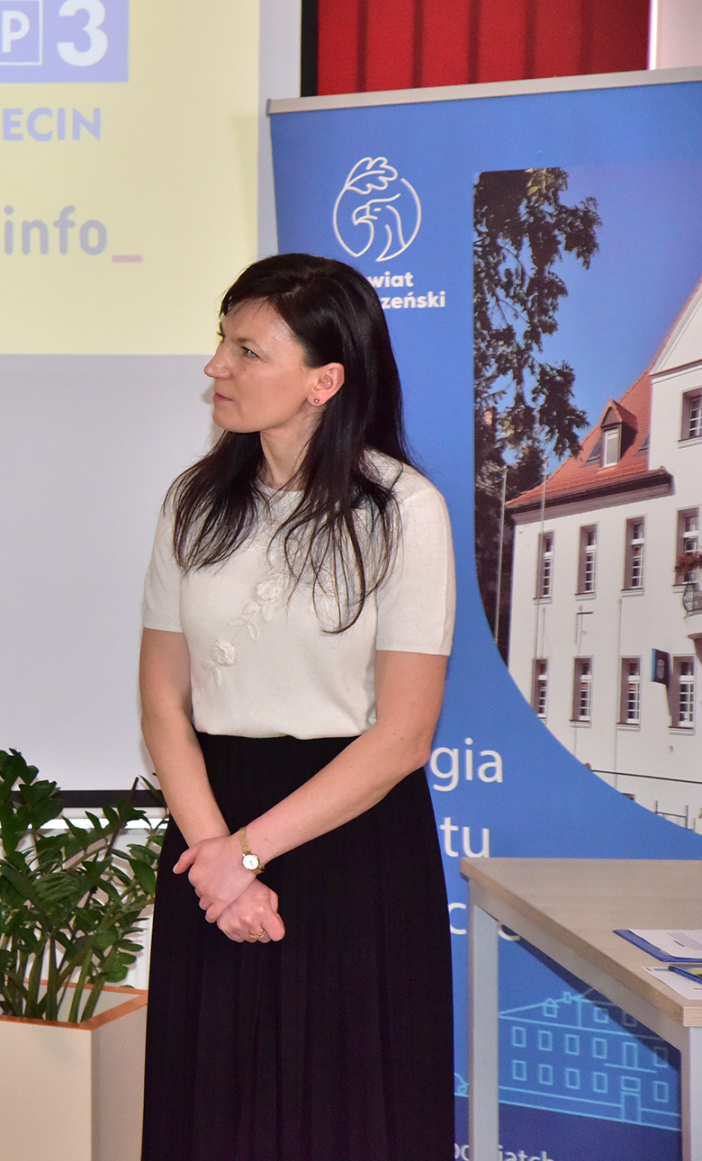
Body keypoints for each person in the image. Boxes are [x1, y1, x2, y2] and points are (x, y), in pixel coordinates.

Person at [137, 253, 454, 1160]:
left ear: (325, 380)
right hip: (209, 831)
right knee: (214, 1115)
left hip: (350, 839)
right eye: (221, 342)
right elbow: (163, 699)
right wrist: (217, 858)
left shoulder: (404, 511)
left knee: (346, 1118)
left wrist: (246, 854)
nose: (217, 366)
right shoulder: (194, 502)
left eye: (247, 350)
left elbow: (404, 735)